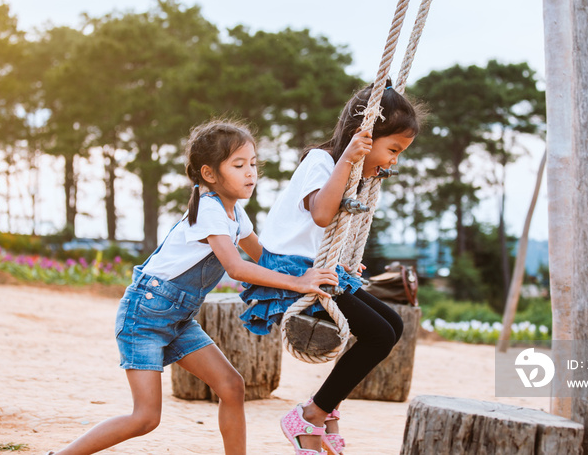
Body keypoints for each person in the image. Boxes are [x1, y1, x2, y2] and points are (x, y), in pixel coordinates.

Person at [46, 120, 338, 455]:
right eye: (239, 165)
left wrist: (329, 265)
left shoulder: (237, 215)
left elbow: (268, 260)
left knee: (231, 387)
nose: (251, 174)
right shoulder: (210, 210)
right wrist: (298, 282)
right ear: (210, 174)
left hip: (179, 318)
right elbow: (238, 267)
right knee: (145, 418)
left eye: (254, 164)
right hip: (145, 314)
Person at [239, 79, 424, 455]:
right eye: (393, 149)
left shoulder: (353, 174)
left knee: (393, 326)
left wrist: (345, 265)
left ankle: (325, 407)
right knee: (377, 334)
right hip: (293, 270)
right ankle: (311, 415)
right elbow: (322, 215)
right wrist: (350, 159)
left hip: (320, 265)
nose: (394, 161)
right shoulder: (320, 162)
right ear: (365, 138)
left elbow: (325, 236)